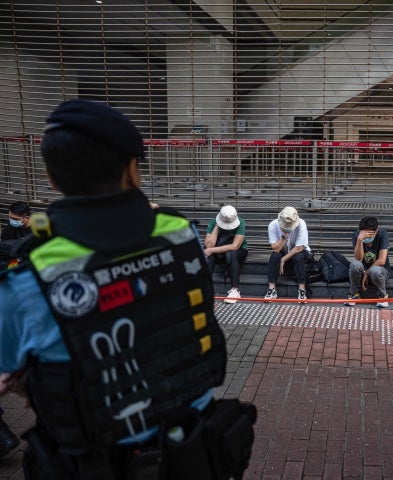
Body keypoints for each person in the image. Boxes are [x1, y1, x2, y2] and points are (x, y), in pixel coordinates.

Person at [0, 99, 255, 479]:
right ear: (135, 168)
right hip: (195, 453)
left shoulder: (29, 276)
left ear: (53, 178)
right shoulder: (180, 235)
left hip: (95, 464)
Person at [264, 206, 313, 303]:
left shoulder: (301, 224)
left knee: (298, 257)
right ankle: (272, 289)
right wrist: (283, 238)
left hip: (298, 251)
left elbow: (299, 248)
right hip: (282, 250)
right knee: (275, 255)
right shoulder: (273, 225)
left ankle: (302, 290)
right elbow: (275, 248)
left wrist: (283, 259)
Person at [204, 205, 249, 304]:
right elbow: (208, 245)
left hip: (238, 251)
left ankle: (235, 290)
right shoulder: (213, 222)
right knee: (208, 256)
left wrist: (212, 250)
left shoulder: (241, 222)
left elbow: (235, 246)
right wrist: (217, 226)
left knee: (232, 254)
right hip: (218, 251)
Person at [345, 216, 391, 308]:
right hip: (362, 271)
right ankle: (354, 294)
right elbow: (359, 259)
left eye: (369, 233)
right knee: (354, 264)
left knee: (375, 270)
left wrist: (366, 273)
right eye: (364, 233)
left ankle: (382, 296)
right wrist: (359, 240)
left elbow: (382, 260)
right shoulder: (357, 235)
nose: (367, 236)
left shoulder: (382, 234)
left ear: (376, 231)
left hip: (380, 272)